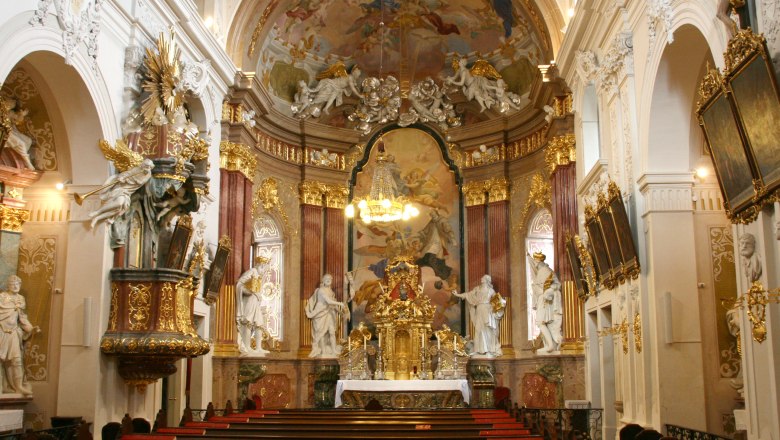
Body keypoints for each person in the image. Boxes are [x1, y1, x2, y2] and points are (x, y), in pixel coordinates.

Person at [0, 275, 40, 395]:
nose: (16, 286)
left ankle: (18, 386)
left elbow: (22, 317)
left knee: (16, 361)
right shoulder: (1, 297)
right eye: (13, 284)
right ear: (8, 285)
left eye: (18, 284)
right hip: (1, 331)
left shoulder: (20, 299)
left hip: (13, 333)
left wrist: (30, 329)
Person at [89, 159, 155, 228]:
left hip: (127, 192)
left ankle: (97, 217)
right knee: (119, 204)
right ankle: (97, 212)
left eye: (150, 167)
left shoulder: (148, 175)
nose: (148, 169)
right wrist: (121, 178)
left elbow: (139, 182)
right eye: (146, 166)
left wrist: (129, 179)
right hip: (121, 188)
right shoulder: (136, 169)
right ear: (142, 165)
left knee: (118, 207)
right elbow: (126, 174)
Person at [450, 274, 505, 357]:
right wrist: (457, 295)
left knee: (487, 329)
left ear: (487, 280)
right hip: (479, 309)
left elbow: (497, 300)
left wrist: (502, 303)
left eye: (483, 277)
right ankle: (480, 349)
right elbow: (468, 295)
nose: (481, 278)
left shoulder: (491, 290)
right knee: (479, 329)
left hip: (487, 309)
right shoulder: (477, 289)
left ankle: (488, 349)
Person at [235, 256, 271, 356]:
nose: (264, 272)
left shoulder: (259, 275)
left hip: (256, 302)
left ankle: (258, 347)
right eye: (264, 269)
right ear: (261, 266)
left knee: (259, 323)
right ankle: (247, 346)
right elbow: (239, 285)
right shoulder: (252, 271)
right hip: (249, 301)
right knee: (248, 322)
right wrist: (250, 292)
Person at [528, 251, 563, 353]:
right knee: (541, 322)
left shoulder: (546, 270)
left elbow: (557, 285)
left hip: (545, 301)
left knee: (540, 322)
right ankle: (549, 344)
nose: (534, 264)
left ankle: (551, 345)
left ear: (539, 262)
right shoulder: (540, 272)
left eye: (535, 262)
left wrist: (549, 291)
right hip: (541, 299)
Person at [305, 274, 346, 358]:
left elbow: (332, 304)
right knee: (321, 333)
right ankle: (323, 351)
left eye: (330, 279)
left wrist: (340, 312)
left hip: (330, 313)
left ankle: (334, 349)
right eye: (326, 279)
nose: (328, 280)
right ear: (323, 281)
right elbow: (328, 301)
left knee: (332, 331)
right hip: (320, 312)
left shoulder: (331, 291)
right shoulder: (321, 290)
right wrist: (340, 303)